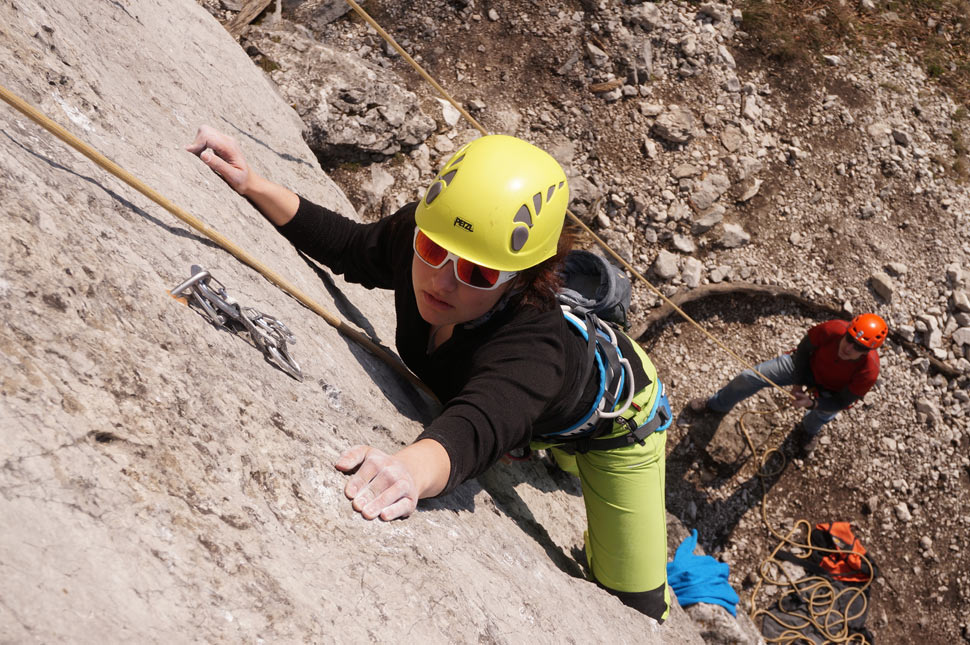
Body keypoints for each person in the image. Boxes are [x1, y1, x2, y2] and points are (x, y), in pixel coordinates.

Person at [187, 126, 673, 622]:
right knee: (541, 440)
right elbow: (352, 247)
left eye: (479, 274)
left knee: (636, 603)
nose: (441, 280)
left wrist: (409, 472)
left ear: (521, 279)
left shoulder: (532, 346)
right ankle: (555, 456)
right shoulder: (434, 237)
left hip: (617, 423)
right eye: (432, 250)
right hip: (541, 405)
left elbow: (474, 429)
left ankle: (575, 472)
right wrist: (252, 183)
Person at [688, 314, 887, 456]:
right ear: (846, 332)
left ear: (868, 351)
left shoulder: (869, 370)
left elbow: (842, 401)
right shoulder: (833, 329)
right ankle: (716, 404)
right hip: (804, 367)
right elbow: (803, 350)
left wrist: (813, 404)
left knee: (821, 415)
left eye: (859, 347)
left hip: (832, 392)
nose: (849, 347)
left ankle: (808, 431)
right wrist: (798, 383)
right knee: (749, 376)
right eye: (849, 339)